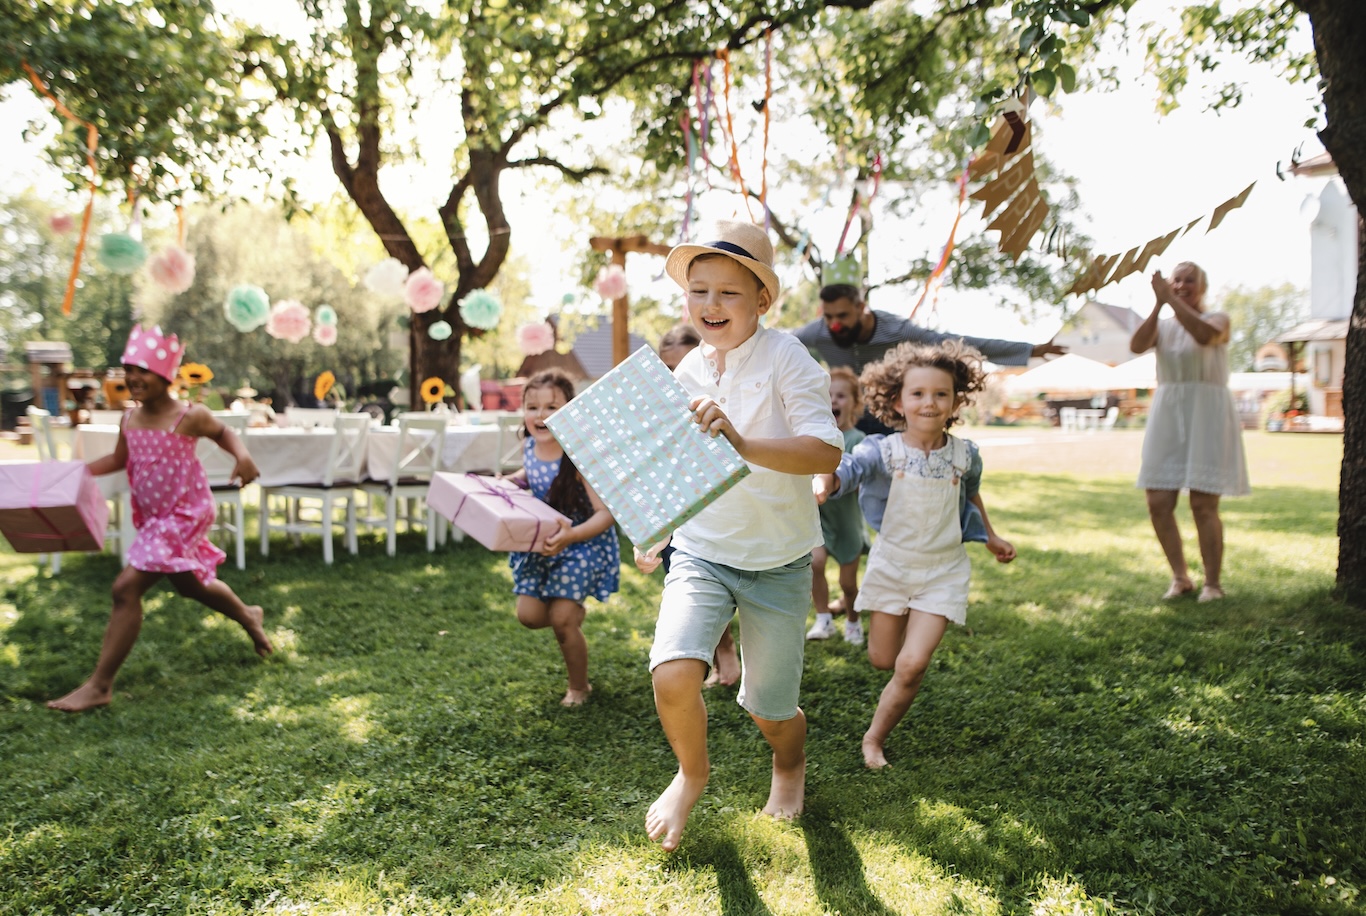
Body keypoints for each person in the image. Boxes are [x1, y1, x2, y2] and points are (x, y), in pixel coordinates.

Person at [635, 219, 843, 851]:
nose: (710, 305)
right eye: (699, 291)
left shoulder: (787, 357)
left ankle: (788, 763)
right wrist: (655, 527)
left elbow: (826, 450)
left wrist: (744, 443)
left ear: (761, 300)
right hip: (701, 549)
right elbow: (676, 463)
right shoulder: (687, 369)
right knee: (672, 672)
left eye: (728, 292)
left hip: (778, 560)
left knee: (769, 711)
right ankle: (690, 775)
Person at [47, 325, 273, 712]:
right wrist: (78, 471)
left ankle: (100, 686)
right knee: (191, 586)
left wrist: (243, 456)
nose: (134, 378)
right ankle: (249, 615)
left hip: (186, 513)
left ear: (165, 375)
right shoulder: (128, 419)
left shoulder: (190, 415)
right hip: (155, 517)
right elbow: (120, 460)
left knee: (125, 588)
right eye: (128, 369)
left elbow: (224, 434)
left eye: (143, 370)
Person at [814, 340, 1016, 768]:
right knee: (882, 659)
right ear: (897, 400)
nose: (930, 402)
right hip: (891, 567)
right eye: (918, 393)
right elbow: (849, 471)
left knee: (910, 665)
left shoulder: (966, 455)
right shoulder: (881, 451)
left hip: (943, 571)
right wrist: (827, 481)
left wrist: (991, 537)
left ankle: (874, 739)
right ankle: (905, 629)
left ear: (956, 400)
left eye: (941, 394)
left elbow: (971, 497)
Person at [793, 282, 1066, 433]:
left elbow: (956, 342)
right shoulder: (819, 332)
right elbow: (780, 341)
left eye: (842, 316)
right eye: (829, 317)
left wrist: (1030, 350)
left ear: (861, 308)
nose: (834, 324)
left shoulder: (896, 330)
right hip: (843, 417)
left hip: (888, 414)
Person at [1130, 262, 1249, 602]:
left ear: (1203, 287)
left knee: (1203, 503)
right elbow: (1137, 345)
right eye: (1176, 280)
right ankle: (1180, 577)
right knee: (1157, 501)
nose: (1182, 285)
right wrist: (1158, 304)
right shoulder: (1163, 325)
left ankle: (1212, 584)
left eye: (1189, 280)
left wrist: (1171, 300)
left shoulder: (1218, 319)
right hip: (1169, 411)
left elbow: (1204, 336)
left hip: (1207, 413)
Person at [507, 368, 620, 707]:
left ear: (570, 411)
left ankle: (579, 686)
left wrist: (572, 537)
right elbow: (531, 473)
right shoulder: (530, 447)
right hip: (545, 545)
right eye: (532, 407)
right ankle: (570, 614)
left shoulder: (580, 456)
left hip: (582, 543)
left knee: (560, 620)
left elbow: (605, 514)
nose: (540, 415)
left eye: (552, 407)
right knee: (528, 616)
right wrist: (507, 483)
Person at [656, 323, 740, 688]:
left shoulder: (716, 404)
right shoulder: (657, 413)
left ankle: (733, 652)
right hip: (674, 511)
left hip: (720, 511)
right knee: (685, 580)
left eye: (681, 368)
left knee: (724, 580)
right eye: (668, 370)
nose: (676, 379)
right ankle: (720, 651)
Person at [806, 366, 868, 645]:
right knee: (814, 564)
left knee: (848, 583)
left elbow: (858, 475)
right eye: (827, 395)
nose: (833, 401)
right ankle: (823, 619)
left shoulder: (858, 441)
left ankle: (853, 622)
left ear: (855, 403)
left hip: (847, 523)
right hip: (818, 519)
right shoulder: (812, 440)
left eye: (841, 396)